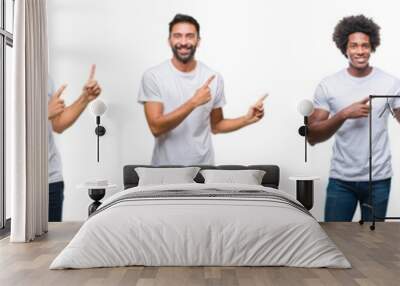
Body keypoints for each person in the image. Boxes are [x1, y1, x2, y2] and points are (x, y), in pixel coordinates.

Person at [138, 14, 265, 165]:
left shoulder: (213, 77)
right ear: (169, 40)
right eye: (178, 36)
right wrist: (193, 102)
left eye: (190, 36)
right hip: (165, 170)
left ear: (198, 41)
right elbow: (156, 127)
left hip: (204, 169)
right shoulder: (153, 76)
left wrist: (246, 119)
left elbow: (216, 125)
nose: (184, 42)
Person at [308, 15, 400, 222]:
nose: (360, 51)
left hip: (378, 178)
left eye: (365, 46)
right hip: (341, 179)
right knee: (335, 240)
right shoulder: (329, 85)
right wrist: (343, 114)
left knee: (373, 243)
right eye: (354, 46)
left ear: (372, 47)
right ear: (345, 48)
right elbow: (312, 136)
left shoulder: (390, 83)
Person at [47, 65, 102, 221]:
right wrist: (43, 113)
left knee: (50, 241)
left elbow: (57, 124)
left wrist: (85, 98)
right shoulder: (10, 69)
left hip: (51, 179)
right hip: (17, 179)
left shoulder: (45, 77)